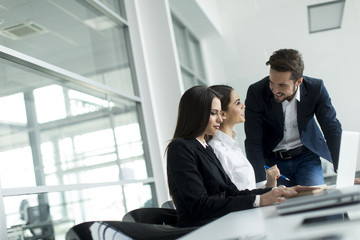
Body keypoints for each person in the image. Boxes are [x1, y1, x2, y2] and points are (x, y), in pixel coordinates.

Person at [166, 85, 316, 228]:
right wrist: (259, 200)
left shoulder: (204, 147)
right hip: (204, 230)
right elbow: (199, 205)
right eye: (213, 113)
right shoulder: (181, 148)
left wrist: (279, 191)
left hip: (222, 224)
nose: (220, 119)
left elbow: (232, 193)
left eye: (220, 113)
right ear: (196, 114)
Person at [244, 48, 342, 187]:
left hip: (306, 158)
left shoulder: (316, 88)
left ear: (299, 82)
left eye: (282, 85)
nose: (275, 90)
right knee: (280, 206)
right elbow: (253, 140)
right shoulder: (256, 92)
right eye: (271, 82)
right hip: (272, 162)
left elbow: (332, 128)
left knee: (315, 203)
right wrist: (260, 182)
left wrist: (342, 169)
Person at [208, 84, 280, 189]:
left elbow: (246, 190)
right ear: (222, 114)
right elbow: (231, 196)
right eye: (237, 103)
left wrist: (269, 184)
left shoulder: (232, 145)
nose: (243, 106)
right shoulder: (217, 150)